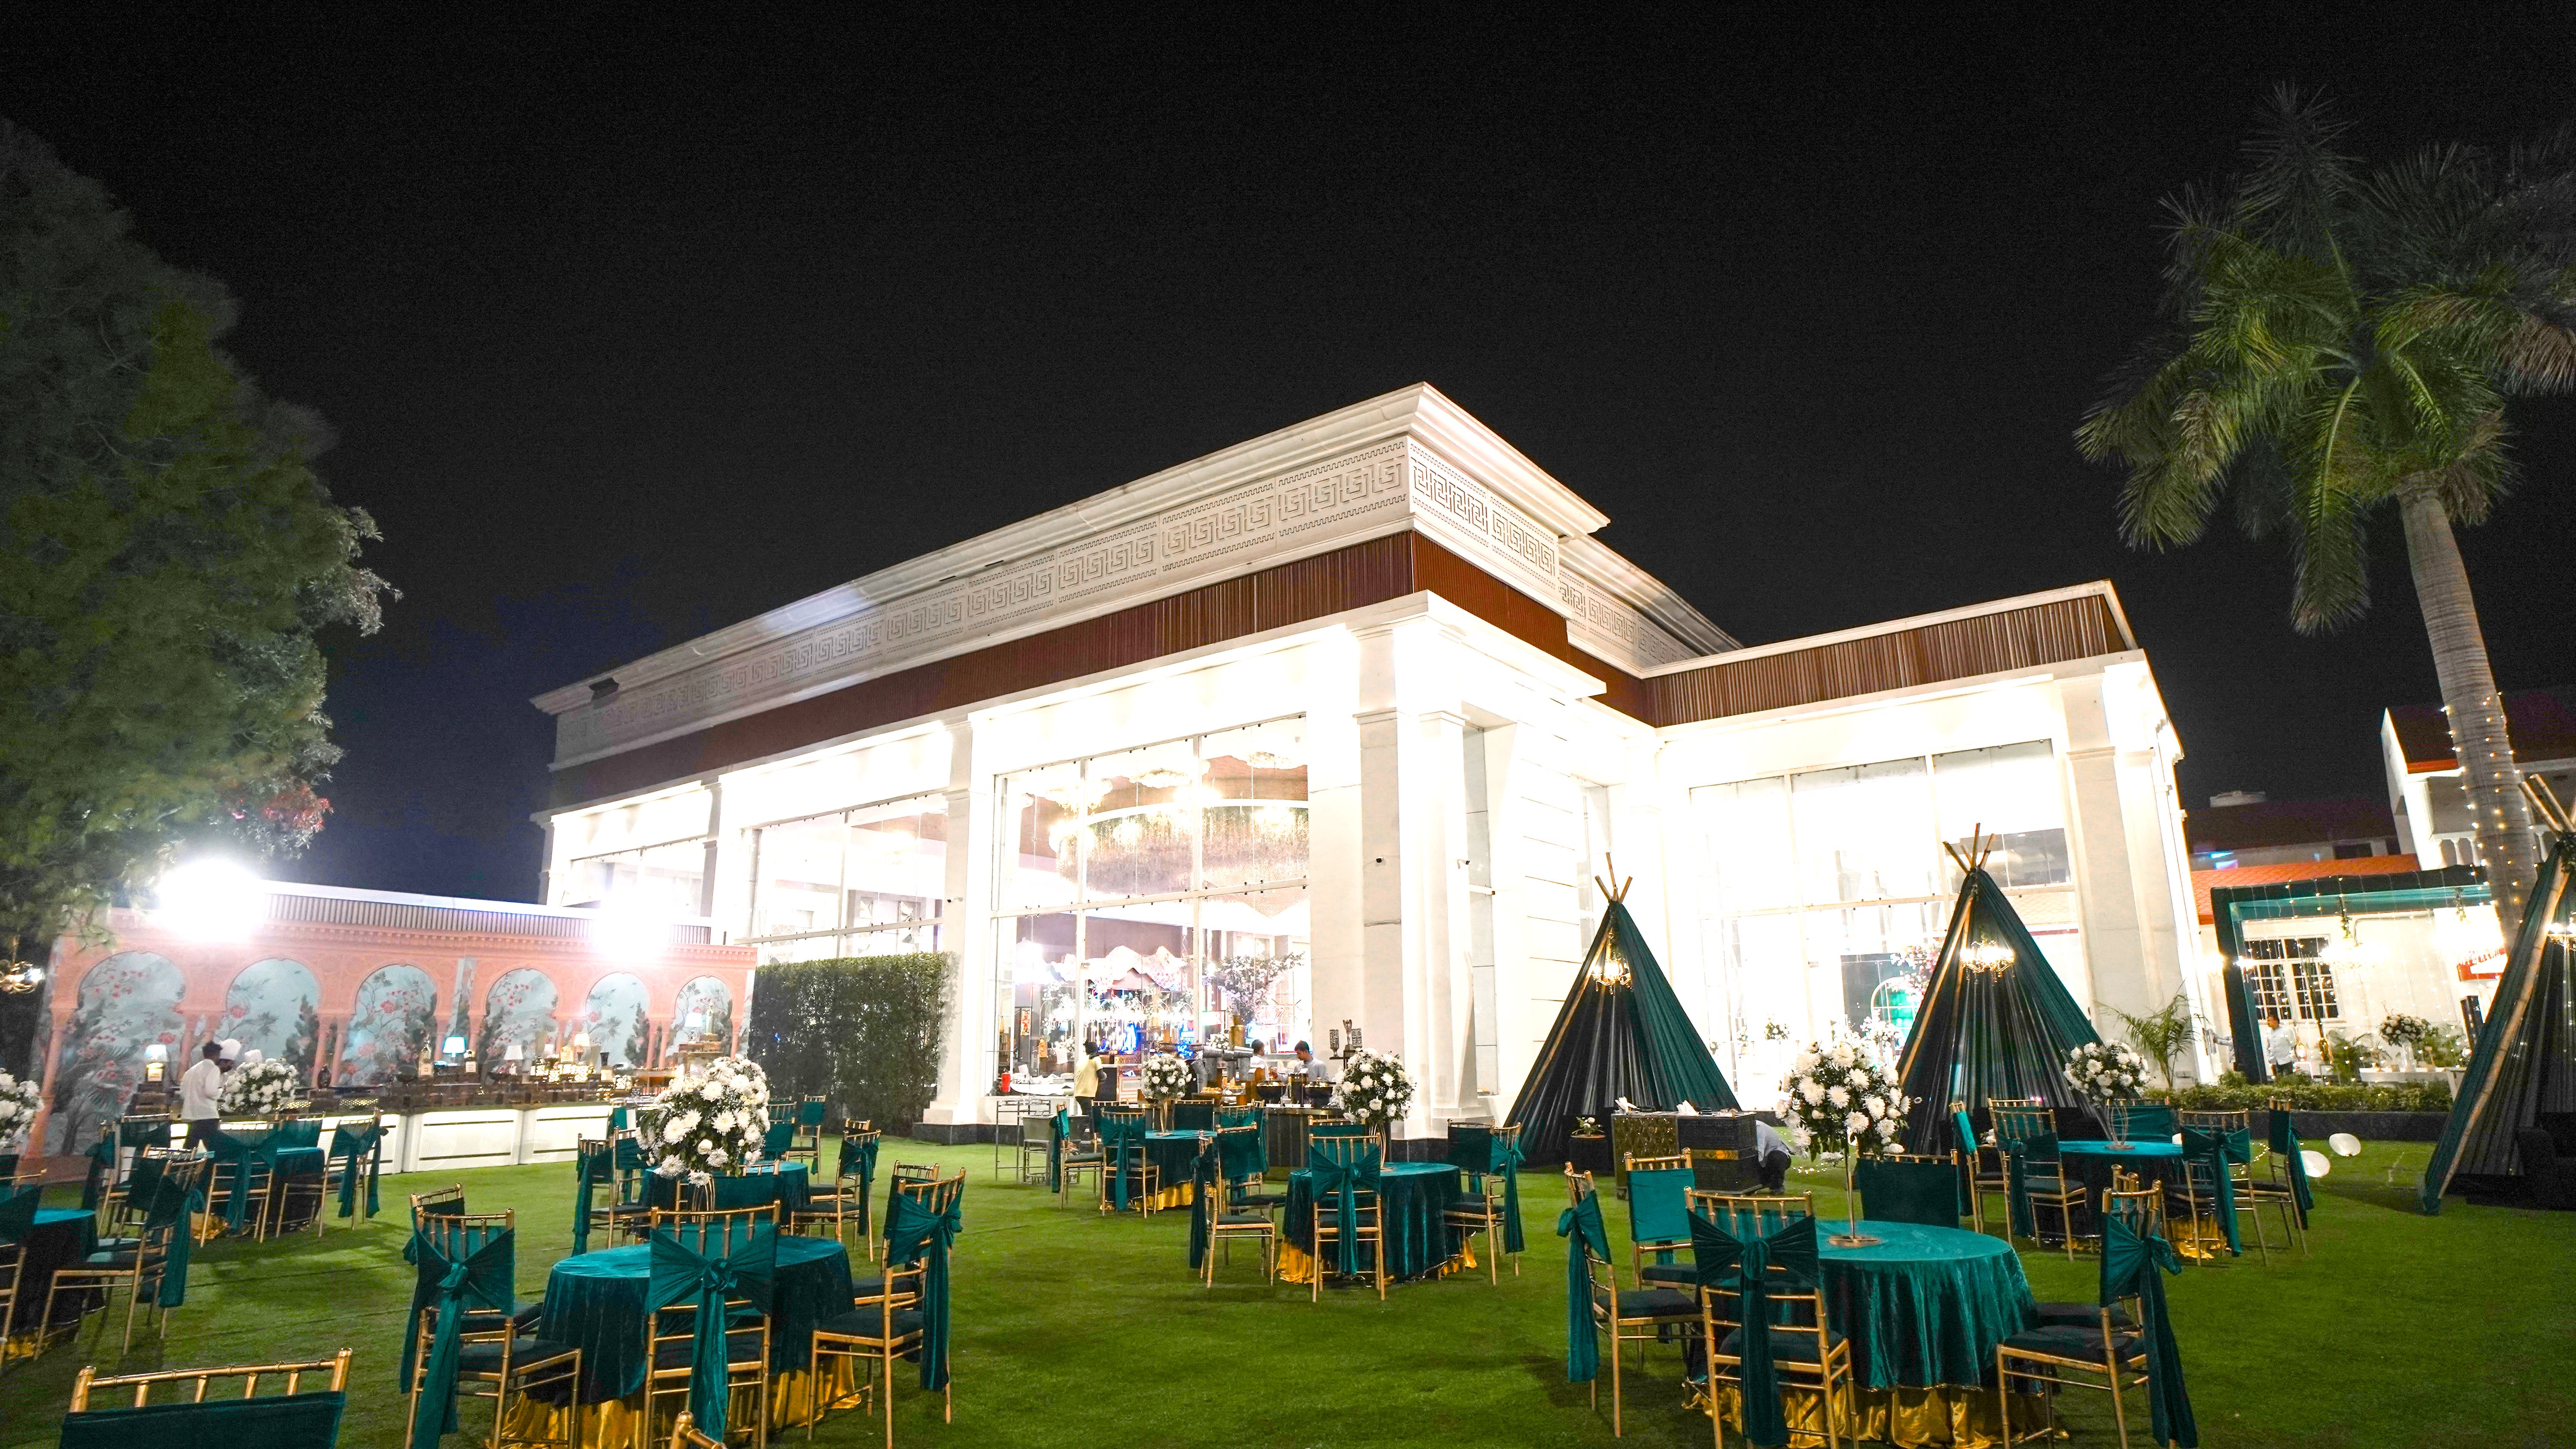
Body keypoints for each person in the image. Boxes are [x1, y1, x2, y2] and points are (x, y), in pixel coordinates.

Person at [179, 1040, 227, 1145]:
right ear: (216, 1055)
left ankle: (186, 1157)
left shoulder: (191, 1071)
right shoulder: (213, 1069)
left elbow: (183, 1093)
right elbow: (210, 1092)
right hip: (207, 1114)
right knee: (213, 1146)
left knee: (191, 1146)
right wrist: (221, 1090)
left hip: (192, 1114)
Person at [1754, 1118, 1794, 1193]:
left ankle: (1777, 1186)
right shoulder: (1754, 1127)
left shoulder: (1759, 1128)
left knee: (1776, 1158)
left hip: (1779, 1157)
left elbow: (1760, 1151)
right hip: (1766, 1159)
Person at [2263, 1014, 2300, 1079]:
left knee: (2289, 1078)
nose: (2268, 1023)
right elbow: (2268, 1046)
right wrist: (2269, 1057)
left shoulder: (2286, 1031)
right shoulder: (2268, 1032)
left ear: (2276, 1022)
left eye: (2269, 1021)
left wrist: (2291, 1056)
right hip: (2274, 1060)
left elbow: (2293, 1044)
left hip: (2286, 1059)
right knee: (2278, 1079)